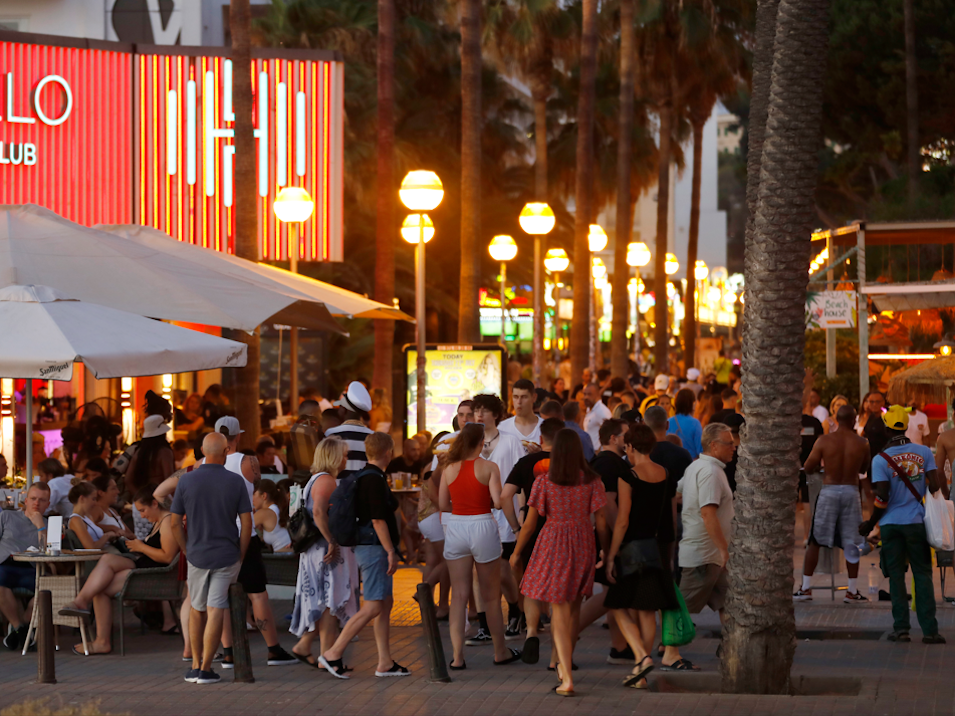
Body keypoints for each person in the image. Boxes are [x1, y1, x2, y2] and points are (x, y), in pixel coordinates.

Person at [511, 428, 610, 697]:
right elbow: (601, 522)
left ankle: (566, 676)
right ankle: (562, 663)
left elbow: (530, 524)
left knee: (559, 610)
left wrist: (517, 553)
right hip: (583, 542)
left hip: (553, 541)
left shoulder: (544, 482)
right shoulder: (592, 481)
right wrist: (605, 550)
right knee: (574, 608)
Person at [318, 433, 411, 679]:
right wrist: (390, 551)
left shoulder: (364, 476)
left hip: (368, 546)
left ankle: (385, 662)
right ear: (388, 453)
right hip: (374, 548)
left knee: (384, 603)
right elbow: (378, 520)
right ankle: (333, 652)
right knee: (373, 606)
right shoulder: (374, 480)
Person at [207, 417, 297, 668]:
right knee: (257, 595)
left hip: (218, 536)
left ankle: (228, 652)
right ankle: (273, 649)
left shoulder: (202, 464)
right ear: (238, 436)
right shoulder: (248, 462)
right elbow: (256, 484)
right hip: (244, 533)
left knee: (221, 597)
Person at [858, 406, 947, 643]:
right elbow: (935, 486)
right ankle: (930, 631)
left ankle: (901, 629)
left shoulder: (880, 459)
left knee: (896, 576)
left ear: (887, 429)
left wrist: (870, 523)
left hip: (891, 525)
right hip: (916, 522)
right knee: (923, 575)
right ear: (906, 426)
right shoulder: (923, 452)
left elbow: (882, 497)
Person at [170, 433, 252, 684]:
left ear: (203, 451)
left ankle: (195, 665)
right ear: (226, 451)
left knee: (197, 608)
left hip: (197, 553)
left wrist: (186, 549)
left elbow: (174, 523)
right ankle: (206, 668)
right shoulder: (236, 481)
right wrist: (241, 553)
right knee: (216, 608)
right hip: (227, 554)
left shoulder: (186, 480)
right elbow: (247, 523)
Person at [440, 423, 521, 669]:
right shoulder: (489, 467)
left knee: (459, 596)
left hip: (456, 525)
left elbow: (443, 504)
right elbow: (498, 501)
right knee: (491, 596)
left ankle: (457, 658)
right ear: (481, 443)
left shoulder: (448, 468)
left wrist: (461, 507)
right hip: (482, 524)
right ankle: (500, 652)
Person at [60, 486, 179, 654]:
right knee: (107, 562)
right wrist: (137, 545)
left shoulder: (167, 521)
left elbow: (167, 557)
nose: (142, 516)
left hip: (153, 574)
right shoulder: (159, 521)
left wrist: (141, 547)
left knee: (101, 587)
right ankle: (83, 604)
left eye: (143, 510)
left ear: (154, 504)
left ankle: (98, 633)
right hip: (143, 566)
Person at [604, 424, 680, 689]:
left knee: (616, 603)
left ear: (630, 447)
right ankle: (641, 671)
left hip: (634, 548)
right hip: (658, 548)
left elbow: (623, 520)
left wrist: (611, 554)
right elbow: (671, 517)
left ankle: (641, 656)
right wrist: (670, 552)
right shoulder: (666, 474)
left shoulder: (629, 477)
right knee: (647, 610)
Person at [290, 436, 360, 666]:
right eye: (344, 454)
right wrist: (331, 540)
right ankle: (327, 656)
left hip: (316, 548)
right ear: (334, 456)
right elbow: (319, 512)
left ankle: (306, 646)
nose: (346, 459)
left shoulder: (316, 479)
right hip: (324, 548)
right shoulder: (326, 480)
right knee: (331, 599)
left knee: (324, 599)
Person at [501, 416, 563, 664]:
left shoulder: (526, 462)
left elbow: (505, 496)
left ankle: (531, 632)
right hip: (563, 533)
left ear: (541, 437)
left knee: (531, 586)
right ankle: (557, 658)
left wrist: (515, 528)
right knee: (560, 596)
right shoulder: (570, 465)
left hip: (532, 530)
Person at [794, 405, 871, 603]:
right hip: (851, 491)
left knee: (815, 540)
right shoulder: (862, 443)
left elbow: (808, 466)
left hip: (829, 490)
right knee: (852, 542)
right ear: (854, 420)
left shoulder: (824, 440)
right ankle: (852, 591)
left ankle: (805, 588)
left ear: (836, 420)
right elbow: (864, 468)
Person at [470, 393, 525, 642]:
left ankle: (515, 610)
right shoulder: (470, 442)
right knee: (478, 573)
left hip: (504, 515)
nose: (479, 414)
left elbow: (521, 481)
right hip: (477, 514)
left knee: (503, 570)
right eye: (477, 410)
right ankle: (484, 626)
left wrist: (521, 513)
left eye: (484, 410)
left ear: (495, 414)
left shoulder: (511, 441)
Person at [677, 423, 735, 621]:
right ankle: (669, 642)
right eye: (729, 443)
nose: (733, 447)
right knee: (682, 610)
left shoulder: (697, 467)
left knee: (729, 604)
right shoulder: (710, 472)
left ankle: (732, 641)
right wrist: (723, 549)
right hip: (704, 557)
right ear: (714, 445)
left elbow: (677, 494)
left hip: (713, 558)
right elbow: (708, 513)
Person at [0, 483, 50, 651]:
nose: (37, 503)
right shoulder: (7, 516)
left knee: (47, 588)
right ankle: (20, 628)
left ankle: (21, 627)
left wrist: (40, 526)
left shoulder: (49, 524)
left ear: (48, 504)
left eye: (42, 500)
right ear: (26, 500)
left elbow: (47, 552)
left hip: (31, 568)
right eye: (33, 498)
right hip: (5, 564)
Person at [323, 381, 375, 480]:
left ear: (344, 409)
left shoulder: (331, 434)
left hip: (337, 489)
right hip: (364, 488)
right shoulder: (373, 437)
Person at [67, 482, 116, 550]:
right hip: (102, 554)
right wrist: (107, 535)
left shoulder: (88, 517)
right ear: (82, 499)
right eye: (93, 499)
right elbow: (91, 547)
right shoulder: (76, 520)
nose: (95, 503)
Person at [498, 379, 543, 451]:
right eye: (515, 397)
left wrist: (540, 454)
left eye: (524, 397)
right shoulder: (502, 428)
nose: (519, 402)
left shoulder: (545, 428)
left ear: (534, 398)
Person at [90, 474, 135, 540]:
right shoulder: (96, 510)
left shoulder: (112, 511)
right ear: (101, 493)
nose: (118, 491)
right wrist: (112, 528)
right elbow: (88, 526)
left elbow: (129, 533)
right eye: (113, 488)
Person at [253, 481, 291, 552]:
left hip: (284, 556)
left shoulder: (264, 512)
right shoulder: (276, 508)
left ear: (264, 496)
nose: (252, 498)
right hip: (289, 554)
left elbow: (242, 527)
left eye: (254, 494)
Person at [668, 389, 703, 459]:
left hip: (670, 460)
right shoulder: (695, 423)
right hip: (690, 461)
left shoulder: (667, 422)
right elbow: (700, 450)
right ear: (692, 404)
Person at [582, 384, 612, 452]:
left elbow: (610, 433)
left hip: (597, 453)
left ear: (597, 394)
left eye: (589, 394)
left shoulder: (602, 411)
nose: (586, 397)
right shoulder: (589, 409)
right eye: (584, 394)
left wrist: (599, 451)